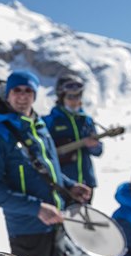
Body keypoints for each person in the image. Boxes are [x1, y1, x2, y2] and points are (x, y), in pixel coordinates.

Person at [0, 70, 92, 256]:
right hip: (26, 229)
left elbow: (51, 169)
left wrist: (69, 186)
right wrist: (36, 208)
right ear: (8, 94)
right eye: (17, 90)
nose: (23, 96)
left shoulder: (40, 127)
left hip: (55, 223)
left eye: (28, 91)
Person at [43, 74, 102, 203]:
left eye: (78, 96)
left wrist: (94, 146)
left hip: (87, 183)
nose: (75, 100)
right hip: (62, 185)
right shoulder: (49, 121)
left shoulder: (86, 120)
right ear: (61, 97)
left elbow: (99, 151)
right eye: (70, 96)